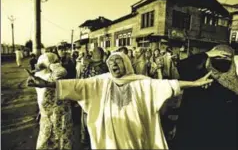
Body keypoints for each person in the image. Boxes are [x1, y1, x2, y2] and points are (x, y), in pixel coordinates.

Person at [27, 52, 213, 149]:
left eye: (118, 61)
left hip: (134, 135)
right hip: (109, 137)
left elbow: (169, 84)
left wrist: (195, 83)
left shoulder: (141, 83)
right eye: (111, 62)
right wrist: (45, 84)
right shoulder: (100, 82)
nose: (114, 64)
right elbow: (76, 85)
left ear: (126, 63)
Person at [173, 45, 238, 150]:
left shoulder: (196, 79)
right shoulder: (199, 79)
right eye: (219, 56)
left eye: (226, 57)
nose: (222, 60)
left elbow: (183, 65)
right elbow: (182, 66)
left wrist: (207, 54)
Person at [32, 53, 73, 149]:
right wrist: (49, 64)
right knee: (59, 138)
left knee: (48, 138)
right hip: (56, 113)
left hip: (47, 112)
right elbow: (61, 71)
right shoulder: (50, 76)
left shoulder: (38, 75)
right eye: (55, 61)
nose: (58, 63)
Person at [78, 47, 109, 150]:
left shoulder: (87, 66)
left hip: (88, 96)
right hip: (98, 97)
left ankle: (86, 138)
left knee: (86, 117)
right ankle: (94, 139)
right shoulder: (104, 67)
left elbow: (81, 80)